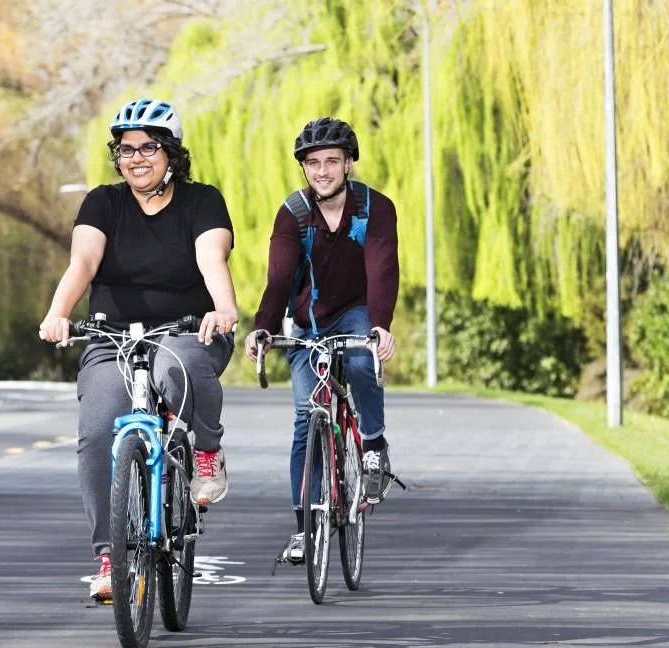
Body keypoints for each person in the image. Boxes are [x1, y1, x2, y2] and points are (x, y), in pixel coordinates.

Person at [38, 98, 239, 600]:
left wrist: (224, 307)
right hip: (114, 336)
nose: (137, 158)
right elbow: (83, 262)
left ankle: (207, 453)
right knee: (97, 427)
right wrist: (58, 312)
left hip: (191, 328)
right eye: (126, 150)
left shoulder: (202, 201)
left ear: (171, 153)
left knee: (181, 371)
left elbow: (210, 256)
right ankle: (109, 556)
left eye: (149, 147)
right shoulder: (103, 203)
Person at [245, 116, 400, 565]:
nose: (323, 171)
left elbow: (382, 268)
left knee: (358, 363)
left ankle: (372, 444)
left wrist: (380, 326)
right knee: (304, 416)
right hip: (308, 319)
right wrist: (263, 326)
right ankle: (304, 528)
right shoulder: (293, 212)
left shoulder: (374, 207)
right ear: (305, 168)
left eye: (332, 161)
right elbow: (279, 278)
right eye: (313, 163)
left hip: (356, 310)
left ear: (348, 163)